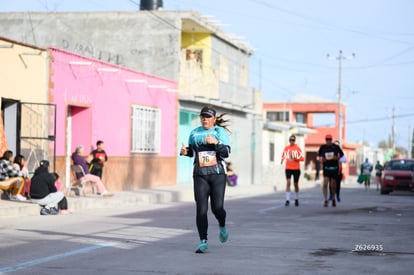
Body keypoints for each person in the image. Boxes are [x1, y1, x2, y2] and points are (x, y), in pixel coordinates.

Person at [180, 106, 231, 253]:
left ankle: (222, 225)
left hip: (217, 175)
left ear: (214, 119)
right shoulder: (194, 133)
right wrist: (185, 152)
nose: (205, 119)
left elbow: (226, 152)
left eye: (208, 117)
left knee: (217, 208)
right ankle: (203, 241)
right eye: (203, 116)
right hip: (200, 175)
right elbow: (192, 151)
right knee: (201, 209)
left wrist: (216, 143)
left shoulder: (219, 132)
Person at [318, 134, 344, 207]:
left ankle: (333, 199)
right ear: (325, 140)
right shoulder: (322, 147)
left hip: (334, 168)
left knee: (333, 185)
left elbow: (342, 155)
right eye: (327, 139)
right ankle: (325, 200)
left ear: (331, 140)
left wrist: (337, 157)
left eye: (329, 139)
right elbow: (319, 156)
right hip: (326, 168)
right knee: (325, 184)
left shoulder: (336, 147)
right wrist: (321, 159)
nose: (328, 141)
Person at [280, 135, 304, 207]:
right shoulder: (286, 148)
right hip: (288, 168)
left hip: (296, 168)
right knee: (288, 182)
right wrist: (282, 160)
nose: (292, 141)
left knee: (295, 184)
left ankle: (296, 199)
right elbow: (283, 155)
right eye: (290, 140)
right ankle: (287, 199)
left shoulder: (298, 149)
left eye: (293, 140)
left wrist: (295, 158)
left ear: (295, 141)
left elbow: (302, 158)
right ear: (289, 140)